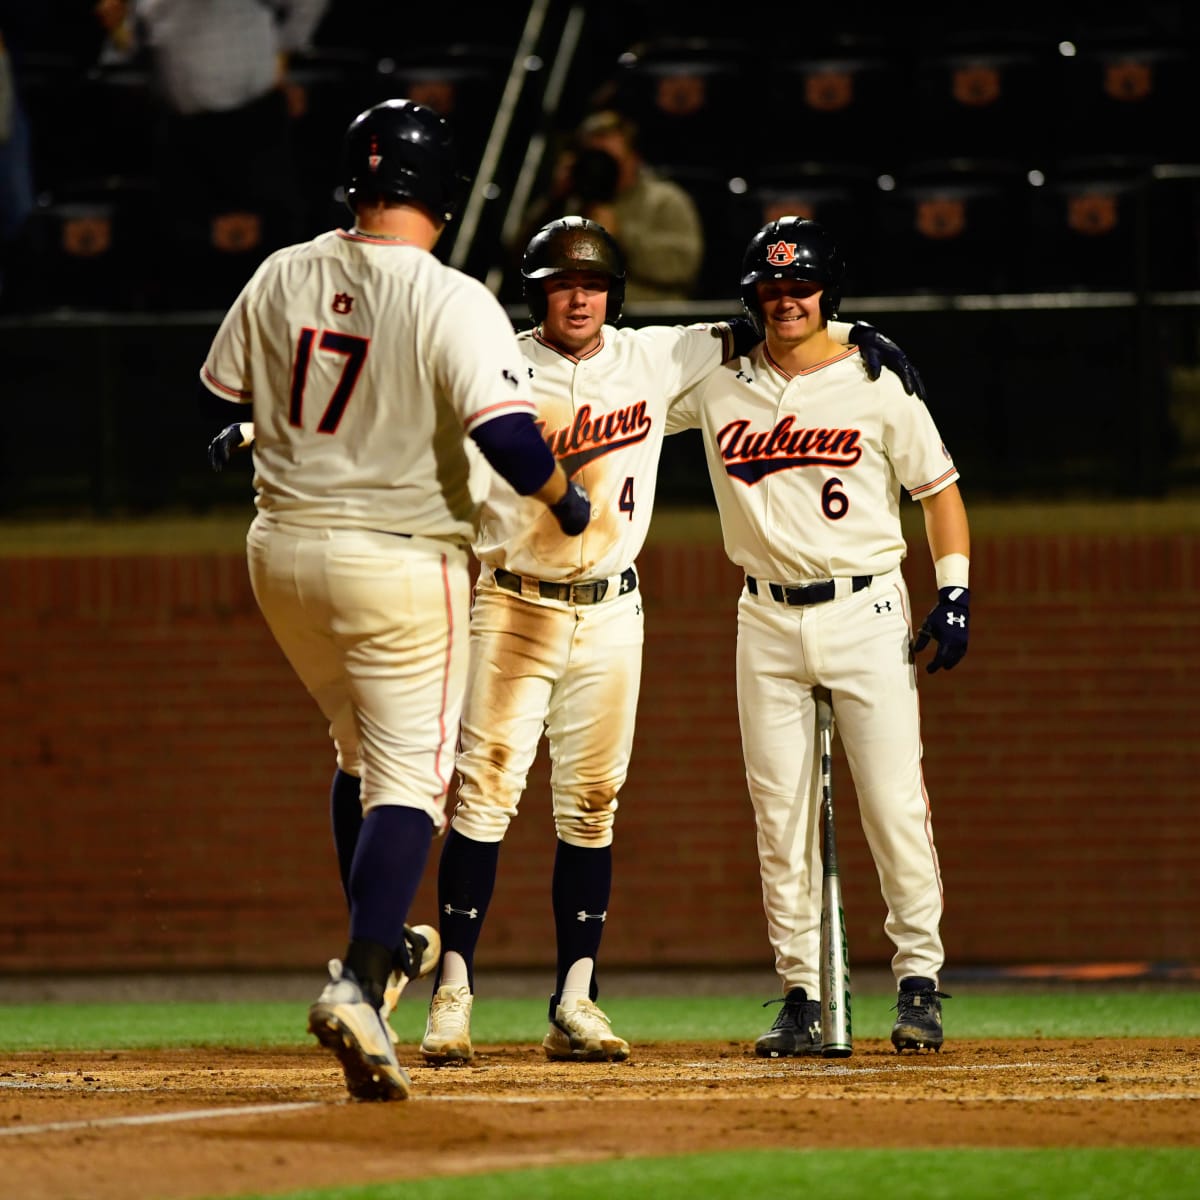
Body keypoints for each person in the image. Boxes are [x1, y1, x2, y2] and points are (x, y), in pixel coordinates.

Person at [210, 219, 928, 1067]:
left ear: (613, 296)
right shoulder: (496, 358)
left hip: (612, 612)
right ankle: (454, 996)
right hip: (511, 603)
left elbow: (773, 317)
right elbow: (383, 402)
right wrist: (259, 430)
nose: (578, 296)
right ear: (538, 293)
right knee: (481, 801)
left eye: (591, 284)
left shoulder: (658, 358)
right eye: (560, 283)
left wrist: (854, 333)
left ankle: (576, 999)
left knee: (591, 807)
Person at [200, 98, 593, 1103]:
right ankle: (363, 978)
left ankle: (373, 952)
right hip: (397, 563)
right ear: (445, 195)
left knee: (356, 753)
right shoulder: (452, 296)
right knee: (416, 780)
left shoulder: (283, 268)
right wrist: (567, 495)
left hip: (280, 557)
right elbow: (509, 441)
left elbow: (226, 394)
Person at [665, 216, 970, 1056]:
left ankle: (918, 981)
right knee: (779, 813)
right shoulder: (721, 382)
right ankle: (800, 991)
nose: (786, 300)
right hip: (762, 615)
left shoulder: (876, 378)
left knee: (893, 801)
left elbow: (937, 491)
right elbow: (632, 390)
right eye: (771, 288)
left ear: (828, 291)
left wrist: (953, 593)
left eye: (800, 287)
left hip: (866, 608)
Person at [94, 0, 328, 306]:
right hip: (182, 130)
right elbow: (127, 48)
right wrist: (117, 29)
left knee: (270, 242)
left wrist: (284, 53)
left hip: (254, 124)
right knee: (187, 247)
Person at [517, 109, 704, 303]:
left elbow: (683, 267)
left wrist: (621, 236)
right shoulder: (570, 203)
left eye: (609, 159)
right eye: (594, 158)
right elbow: (521, 262)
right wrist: (554, 199)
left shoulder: (665, 200)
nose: (601, 167)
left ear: (634, 159)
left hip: (647, 318)